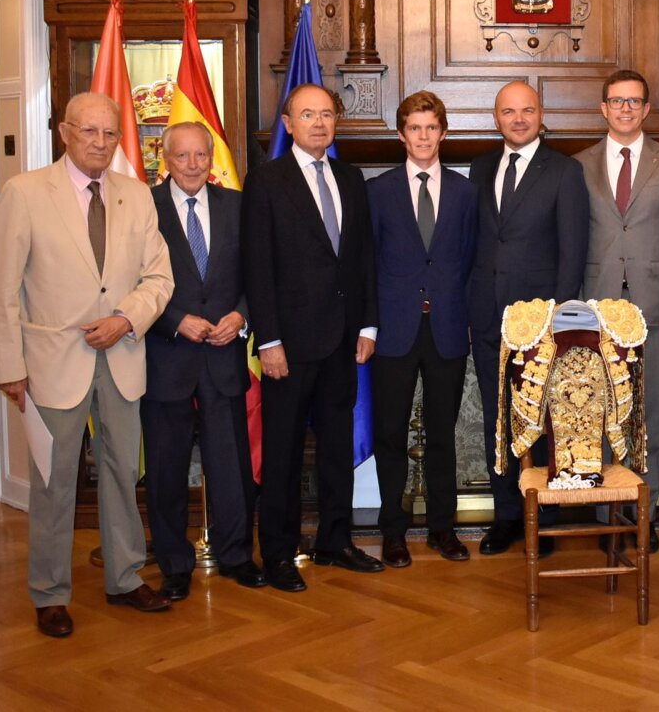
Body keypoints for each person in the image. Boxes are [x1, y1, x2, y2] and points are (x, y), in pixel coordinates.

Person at [0, 92, 176, 637]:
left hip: (121, 355)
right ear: (64, 132)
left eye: (110, 133)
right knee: (53, 481)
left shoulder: (137, 196)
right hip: (49, 364)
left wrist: (126, 318)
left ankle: (124, 577)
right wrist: (10, 367)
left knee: (122, 473)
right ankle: (49, 592)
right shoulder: (24, 193)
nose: (100, 142)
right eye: (88, 131)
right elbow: (1, 290)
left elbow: (159, 278)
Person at [242, 83, 384, 592]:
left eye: (327, 114)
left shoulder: (351, 177)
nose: (320, 123)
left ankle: (335, 540)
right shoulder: (266, 181)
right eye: (308, 114)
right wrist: (269, 340)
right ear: (288, 122)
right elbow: (257, 266)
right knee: (280, 452)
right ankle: (278, 552)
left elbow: (362, 258)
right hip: (289, 346)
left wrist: (368, 325)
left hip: (344, 342)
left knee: (335, 448)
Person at [574, 70, 659, 553]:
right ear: (603, 108)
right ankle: (610, 514)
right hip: (595, 306)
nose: (625, 109)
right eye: (616, 101)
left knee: (648, 410)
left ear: (646, 109)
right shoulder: (578, 165)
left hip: (655, 304)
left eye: (635, 101)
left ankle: (642, 515)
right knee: (601, 410)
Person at [142, 122, 264, 600]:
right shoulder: (143, 209)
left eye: (200, 156)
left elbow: (259, 272)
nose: (192, 165)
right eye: (181, 157)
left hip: (224, 353)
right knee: (167, 470)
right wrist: (174, 320)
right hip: (167, 356)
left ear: (212, 159)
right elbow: (131, 279)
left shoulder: (237, 206)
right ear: (164, 160)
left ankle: (237, 556)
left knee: (231, 464)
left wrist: (241, 315)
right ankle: (174, 565)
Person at [468, 81, 589, 556]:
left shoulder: (564, 171)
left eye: (527, 110)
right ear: (495, 118)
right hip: (485, 316)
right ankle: (506, 517)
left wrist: (558, 319)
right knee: (498, 421)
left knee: (543, 422)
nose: (518, 119)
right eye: (508, 112)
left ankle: (546, 517)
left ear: (541, 114)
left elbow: (572, 252)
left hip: (541, 320)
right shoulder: (478, 169)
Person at [367, 92, 478, 567]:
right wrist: (367, 327)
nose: (424, 137)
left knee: (441, 436)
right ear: (401, 135)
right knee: (389, 433)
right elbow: (366, 264)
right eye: (415, 128)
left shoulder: (465, 191)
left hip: (448, 329)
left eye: (432, 128)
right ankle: (393, 530)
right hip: (392, 331)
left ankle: (442, 528)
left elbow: (471, 260)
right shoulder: (378, 190)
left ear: (444, 133)